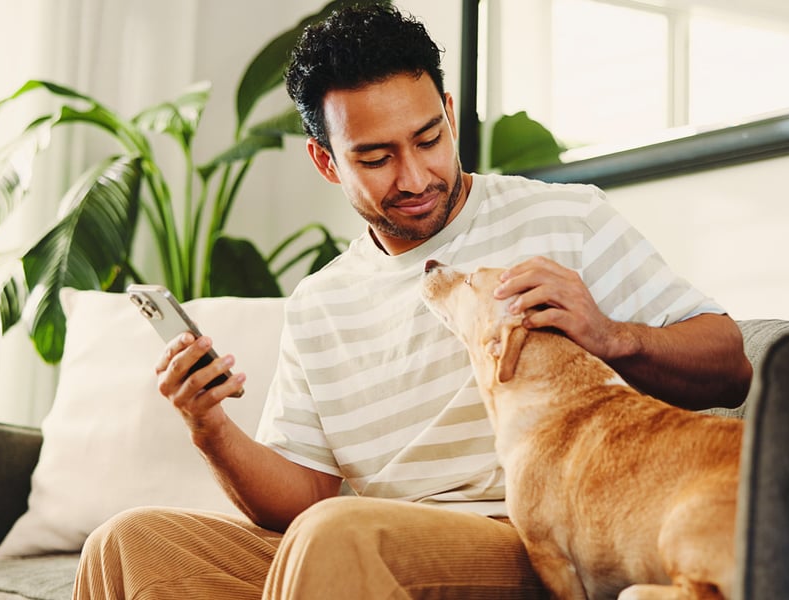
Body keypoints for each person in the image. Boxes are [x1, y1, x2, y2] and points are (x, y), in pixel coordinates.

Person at [73, 5, 751, 599]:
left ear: (450, 113)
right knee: (126, 544)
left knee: (339, 534)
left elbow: (729, 364)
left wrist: (610, 334)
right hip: (356, 543)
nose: (416, 175)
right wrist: (209, 427)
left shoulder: (565, 220)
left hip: (524, 539)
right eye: (376, 157)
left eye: (428, 138)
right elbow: (302, 499)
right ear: (326, 161)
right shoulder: (320, 304)